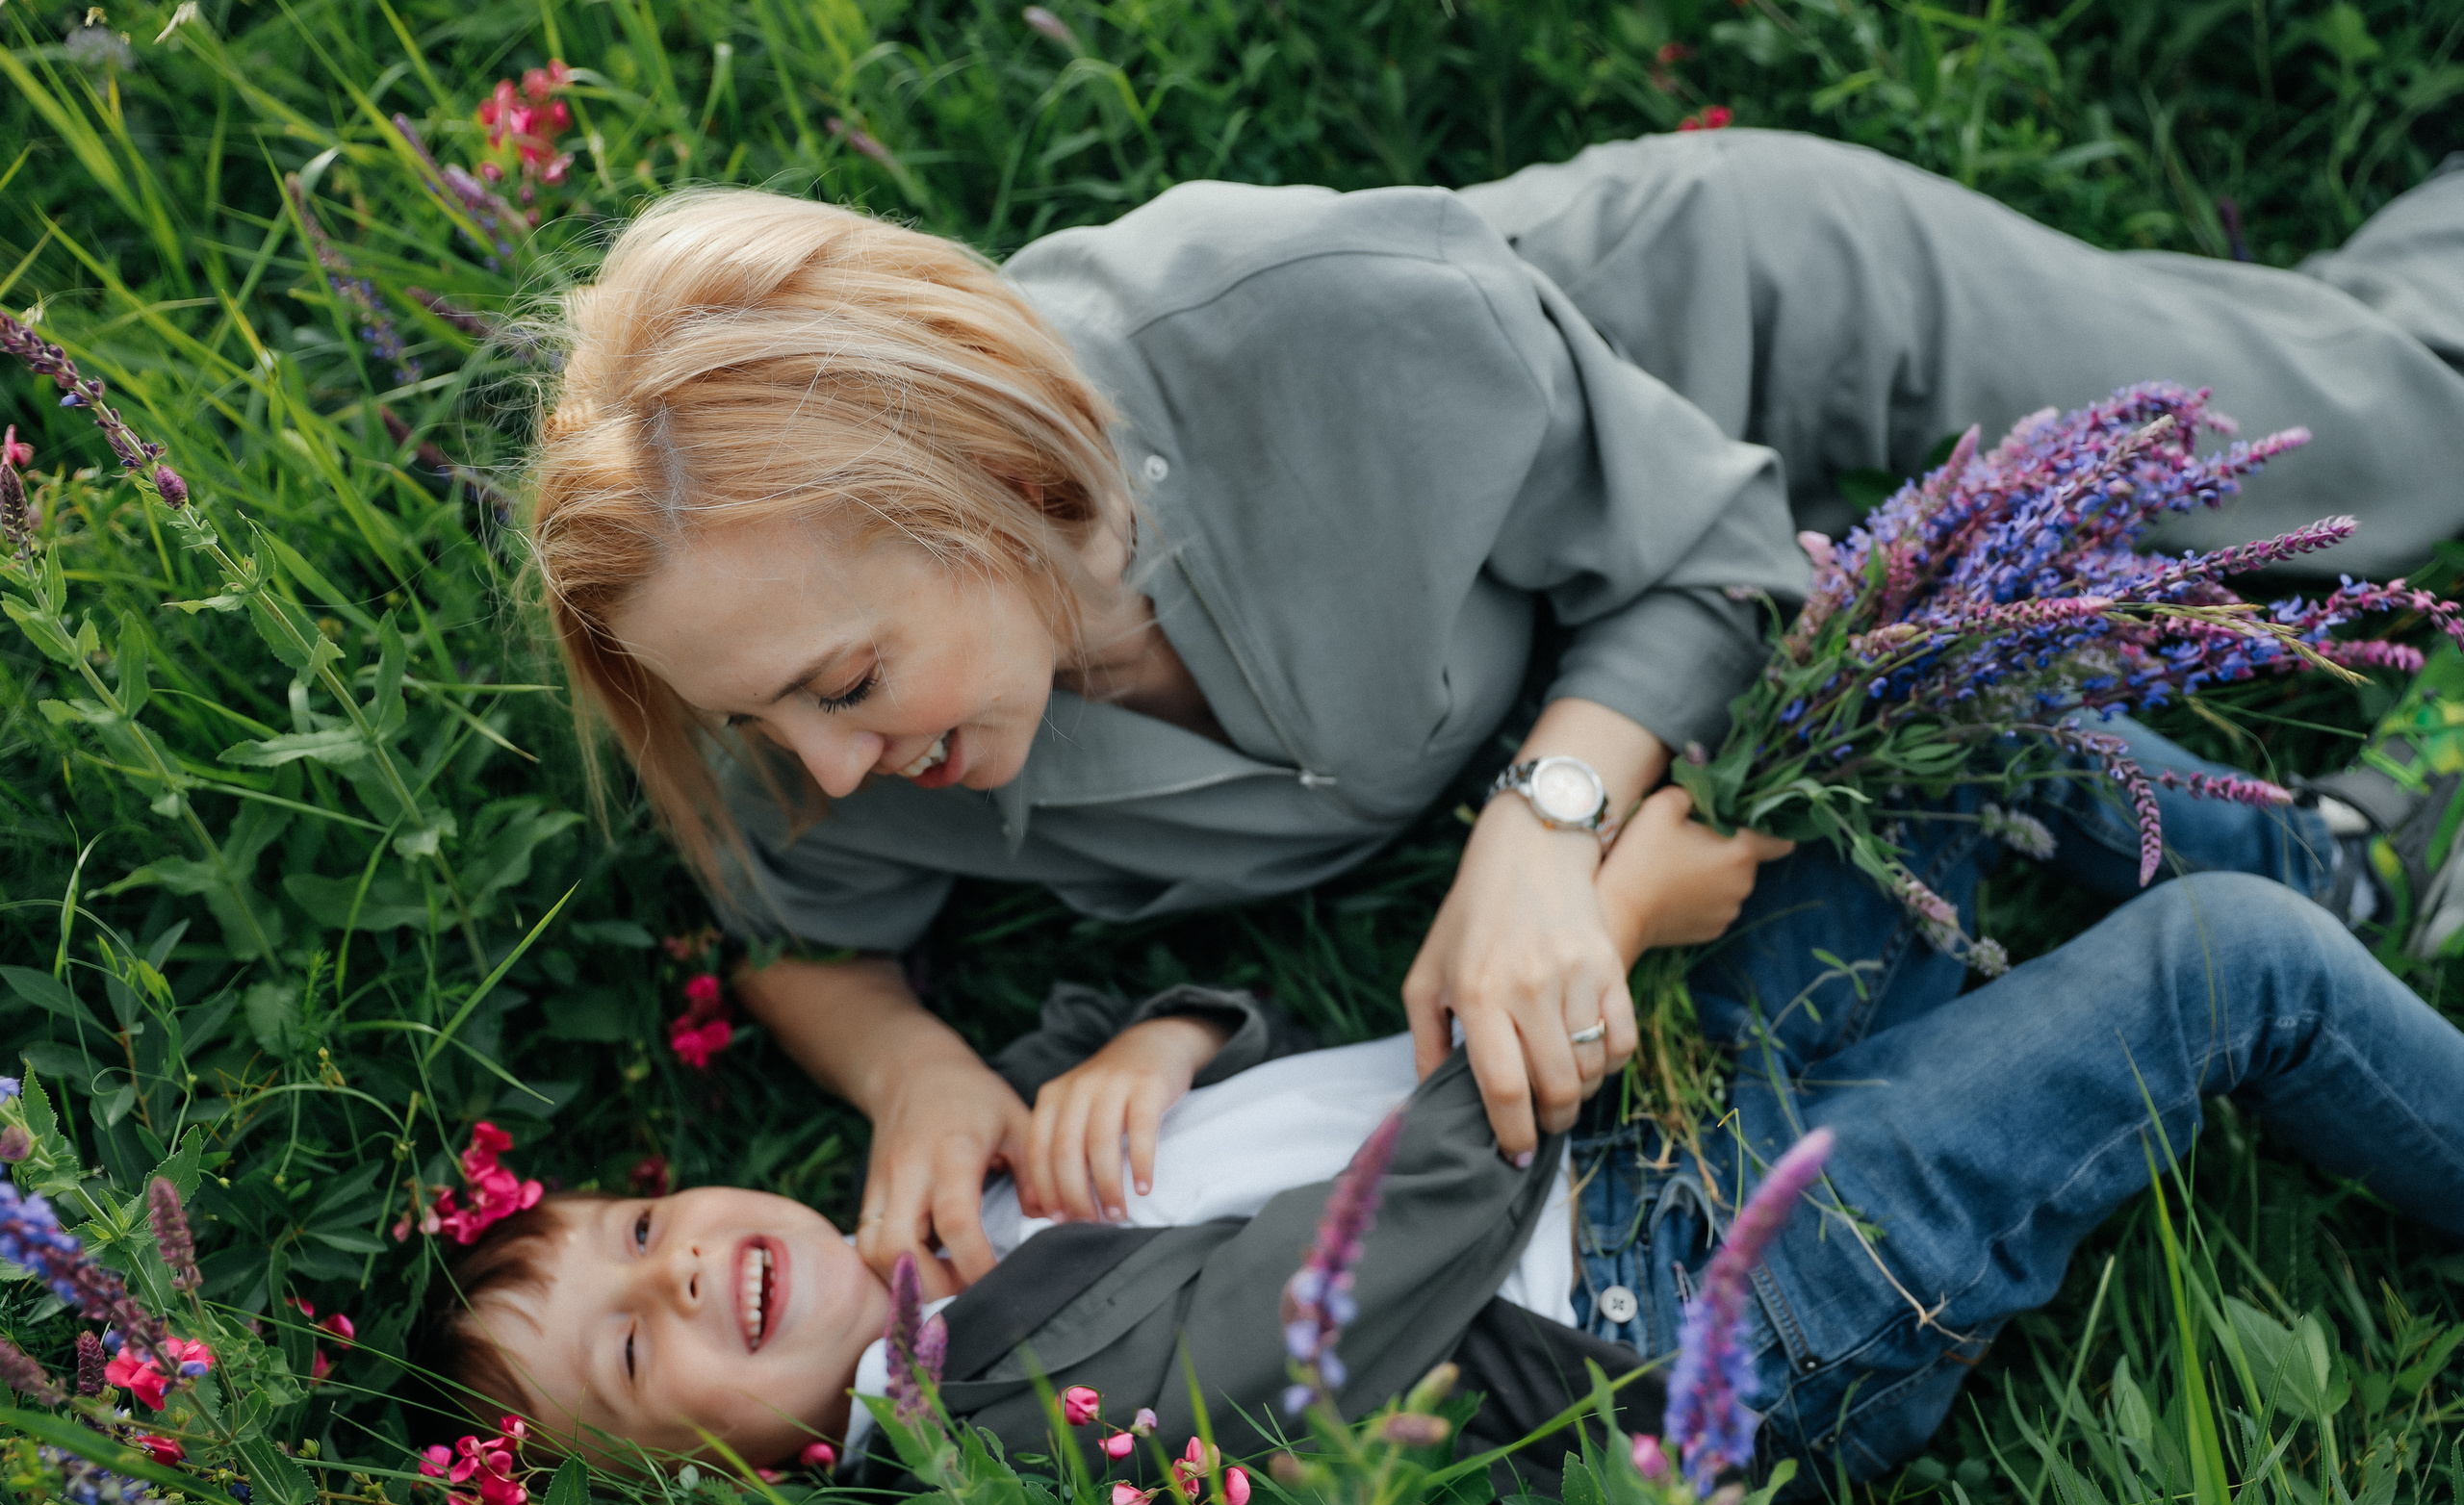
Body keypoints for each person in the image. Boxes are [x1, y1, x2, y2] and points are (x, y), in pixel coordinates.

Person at [524, 130, 2464, 1297]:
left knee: (2373, 457)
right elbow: (797, 927)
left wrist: (1539, 826)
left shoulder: (1301, 308)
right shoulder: (810, 701)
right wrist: (917, 1074)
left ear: (997, 482)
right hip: (1660, 599)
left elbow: (1710, 553)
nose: (832, 769)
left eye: (846, 685)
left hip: (1746, 338)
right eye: (775, 722)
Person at [421, 731, 2464, 1490]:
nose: (682, 1261)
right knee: (2212, 977)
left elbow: (1197, 1100)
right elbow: (1335, 1291)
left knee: (1902, 745)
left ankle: (2344, 867)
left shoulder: (964, 1236)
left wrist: (1157, 1039)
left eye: (632, 1224)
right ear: (720, 1477)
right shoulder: (994, 1416)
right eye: (636, 1341)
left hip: (1649, 1112)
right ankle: (2310, 935)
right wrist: (1608, 910)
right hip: (1717, 1300)